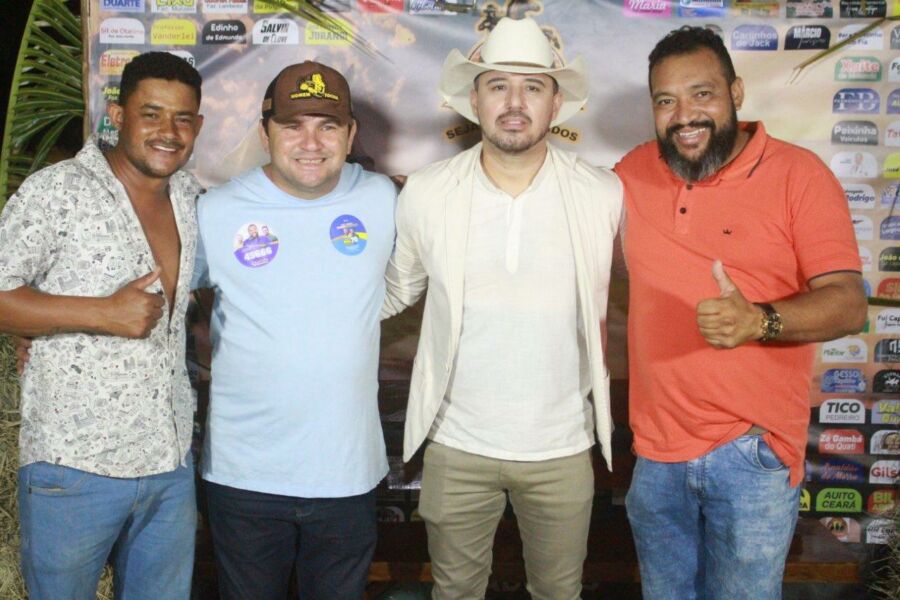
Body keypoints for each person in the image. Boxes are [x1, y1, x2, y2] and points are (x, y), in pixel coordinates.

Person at [614, 26, 867, 600]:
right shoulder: (632, 172)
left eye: (701, 94)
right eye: (665, 100)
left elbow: (850, 304)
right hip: (656, 455)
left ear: (736, 92)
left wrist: (760, 321)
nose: (684, 115)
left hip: (751, 454)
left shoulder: (799, 174)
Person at [383, 17, 623, 600]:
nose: (514, 103)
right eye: (498, 86)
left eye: (532, 87)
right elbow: (393, 294)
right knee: (454, 592)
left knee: (558, 593)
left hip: (562, 448)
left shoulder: (602, 193)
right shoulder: (427, 192)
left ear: (556, 103)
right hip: (457, 445)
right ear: (474, 100)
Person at [0, 52, 203, 599]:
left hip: (168, 462)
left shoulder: (191, 197)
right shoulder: (57, 191)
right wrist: (100, 313)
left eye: (182, 118)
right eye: (151, 114)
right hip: (74, 466)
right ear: (117, 115)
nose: (168, 132)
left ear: (199, 126)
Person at [194, 61, 395, 600]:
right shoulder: (215, 211)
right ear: (265, 133)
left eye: (328, 126)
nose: (311, 143)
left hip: (347, 474)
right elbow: (156, 303)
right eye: (292, 126)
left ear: (350, 134)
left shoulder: (384, 200)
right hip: (243, 475)